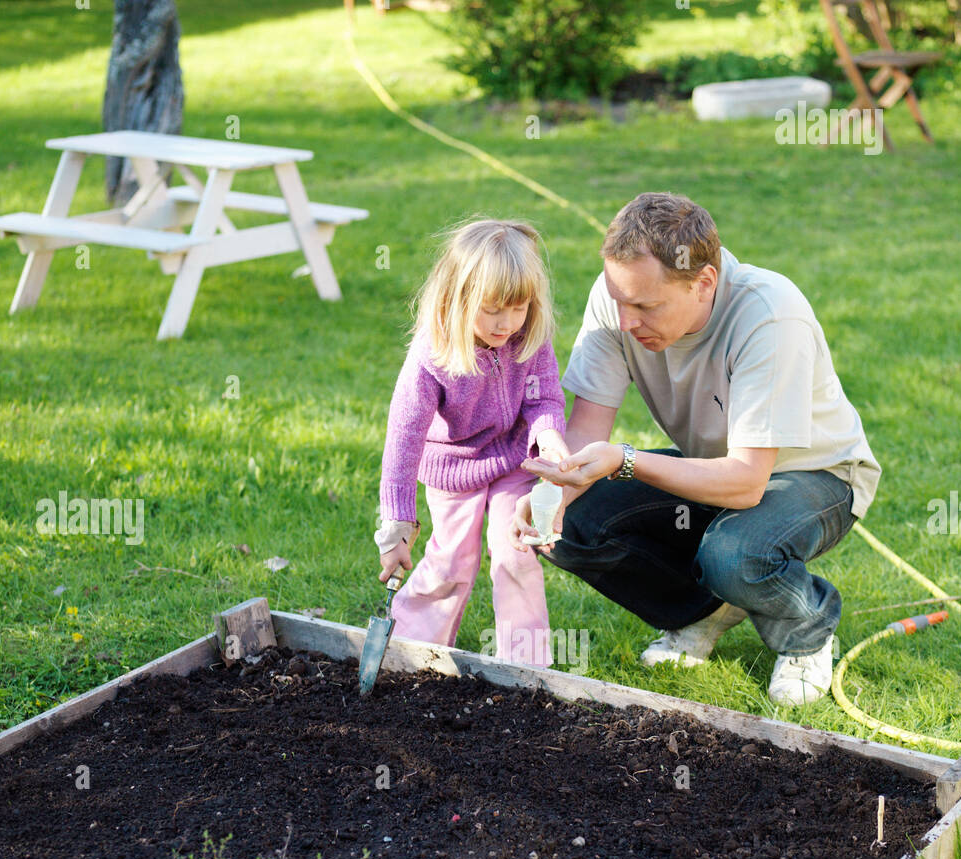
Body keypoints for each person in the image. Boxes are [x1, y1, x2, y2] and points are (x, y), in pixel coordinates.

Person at [510, 191, 881, 704]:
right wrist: (550, 497)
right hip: (717, 466)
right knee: (573, 526)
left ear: (703, 281)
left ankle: (806, 629)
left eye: (645, 306)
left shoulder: (770, 315)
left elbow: (748, 482)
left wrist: (626, 460)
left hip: (818, 476)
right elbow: (588, 428)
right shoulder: (620, 297)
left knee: (734, 553)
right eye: (620, 302)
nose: (626, 320)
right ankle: (703, 614)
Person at [375, 218, 568, 668]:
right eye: (493, 308)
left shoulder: (529, 336)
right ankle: (410, 655)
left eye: (519, 307)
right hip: (454, 470)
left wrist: (550, 437)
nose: (507, 323)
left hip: (513, 461)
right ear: (457, 298)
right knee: (452, 561)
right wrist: (397, 526)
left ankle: (524, 669)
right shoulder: (432, 355)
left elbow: (544, 399)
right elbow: (403, 442)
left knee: (516, 553)